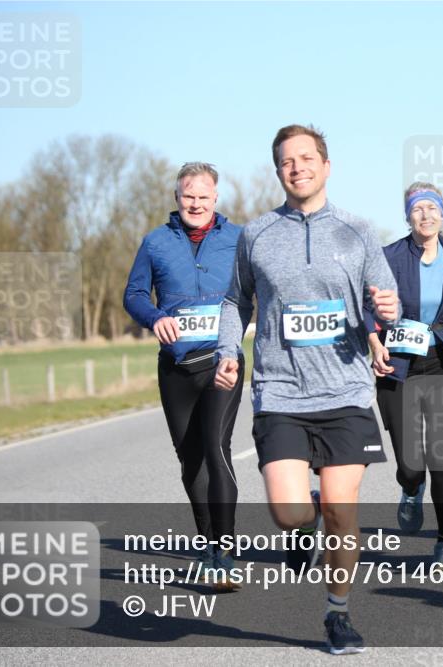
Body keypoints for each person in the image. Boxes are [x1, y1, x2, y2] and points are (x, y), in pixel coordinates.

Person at [214, 124, 400, 652]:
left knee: (344, 511)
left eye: (306, 158)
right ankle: (303, 521)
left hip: (345, 389)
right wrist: (229, 352)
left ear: (326, 165)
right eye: (286, 161)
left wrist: (386, 313)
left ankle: (337, 614)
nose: (297, 167)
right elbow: (235, 303)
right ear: (278, 172)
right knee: (287, 513)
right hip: (281, 392)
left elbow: (383, 300)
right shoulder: (257, 235)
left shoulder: (357, 231)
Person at [124, 162, 244, 590]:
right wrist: (154, 317)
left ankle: (227, 553)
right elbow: (134, 294)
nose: (195, 203)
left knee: (216, 447)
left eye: (203, 197)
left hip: (221, 361)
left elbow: (261, 287)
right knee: (190, 458)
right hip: (176, 367)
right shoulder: (156, 242)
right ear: (177, 199)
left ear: (216, 199)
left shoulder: (238, 238)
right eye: (188, 196)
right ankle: (208, 543)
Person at [368, 182, 443, 566]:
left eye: (432, 208)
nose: (426, 215)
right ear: (407, 216)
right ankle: (410, 487)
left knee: (441, 457)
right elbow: (365, 307)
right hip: (398, 367)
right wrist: (375, 344)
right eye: (418, 209)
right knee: (410, 463)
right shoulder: (388, 256)